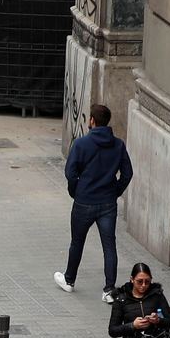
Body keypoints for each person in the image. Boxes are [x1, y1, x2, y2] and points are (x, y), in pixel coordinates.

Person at [57, 104, 134, 300]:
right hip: (107, 202)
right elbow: (127, 173)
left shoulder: (82, 144)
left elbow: (70, 173)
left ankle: (69, 280)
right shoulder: (118, 145)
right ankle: (109, 289)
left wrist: (75, 191)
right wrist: (115, 191)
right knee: (109, 246)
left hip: (84, 201)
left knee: (77, 242)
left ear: (92, 120)